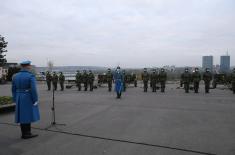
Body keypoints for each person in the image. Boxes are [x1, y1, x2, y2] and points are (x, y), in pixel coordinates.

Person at [12, 60, 40, 139]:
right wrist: (35, 99)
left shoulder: (15, 76)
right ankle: (27, 133)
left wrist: (15, 98)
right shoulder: (30, 76)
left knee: (22, 115)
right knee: (27, 115)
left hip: (19, 97)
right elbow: (33, 89)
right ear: (27, 66)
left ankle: (24, 133)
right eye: (29, 65)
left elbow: (13, 89)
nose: (30, 66)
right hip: (27, 97)